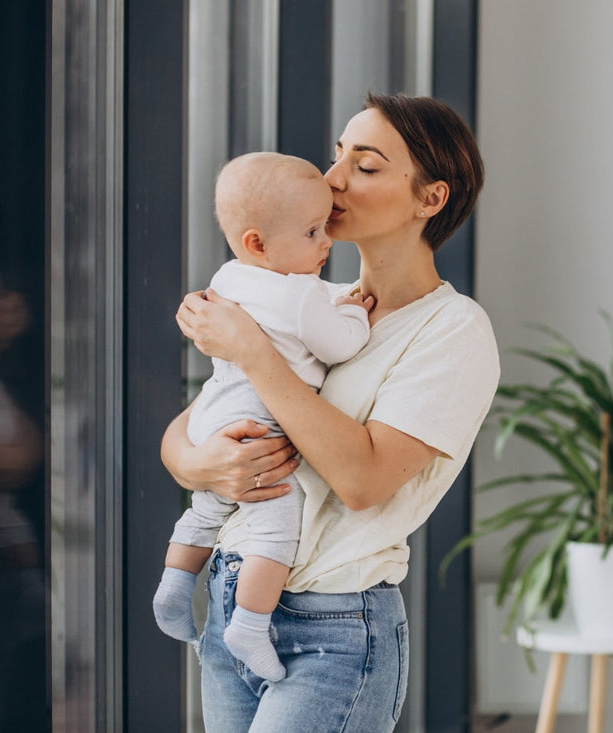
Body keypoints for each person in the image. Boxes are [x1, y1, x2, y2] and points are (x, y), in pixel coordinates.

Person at [162, 93, 499, 732]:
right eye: (338, 154)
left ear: (430, 199)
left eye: (366, 166)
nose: (333, 177)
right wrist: (202, 465)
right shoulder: (315, 304)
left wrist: (255, 353)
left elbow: (364, 481)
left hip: (336, 626)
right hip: (235, 599)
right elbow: (199, 419)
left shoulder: (453, 330)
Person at [153, 152, 373, 683]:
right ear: (258, 242)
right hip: (260, 424)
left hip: (212, 414)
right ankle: (250, 624)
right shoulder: (301, 296)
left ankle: (174, 587)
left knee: (205, 510)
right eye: (314, 231)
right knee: (279, 519)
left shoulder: (227, 276)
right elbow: (342, 345)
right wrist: (352, 312)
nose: (327, 242)